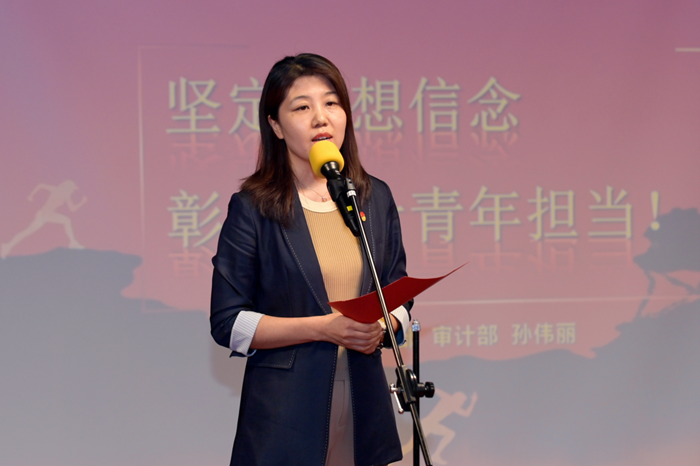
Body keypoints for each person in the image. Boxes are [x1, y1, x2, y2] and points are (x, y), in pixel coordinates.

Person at [210, 53, 411, 466]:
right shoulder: (253, 208)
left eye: (331, 103)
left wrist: (383, 325)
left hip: (364, 404)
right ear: (276, 126)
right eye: (302, 107)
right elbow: (229, 323)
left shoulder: (373, 197)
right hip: (285, 416)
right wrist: (323, 328)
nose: (321, 117)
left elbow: (398, 295)